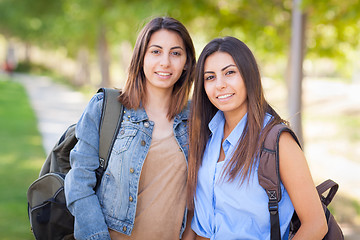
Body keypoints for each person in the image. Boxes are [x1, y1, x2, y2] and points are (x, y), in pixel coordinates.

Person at [65, 16, 196, 240]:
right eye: (156, 51)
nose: (165, 62)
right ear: (141, 57)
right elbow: (79, 184)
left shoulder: (197, 118)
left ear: (186, 62)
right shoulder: (105, 109)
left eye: (175, 53)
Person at [186, 36, 328, 240]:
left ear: (248, 75)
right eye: (210, 77)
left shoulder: (276, 141)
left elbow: (315, 224)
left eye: (230, 73)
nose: (220, 84)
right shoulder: (207, 136)